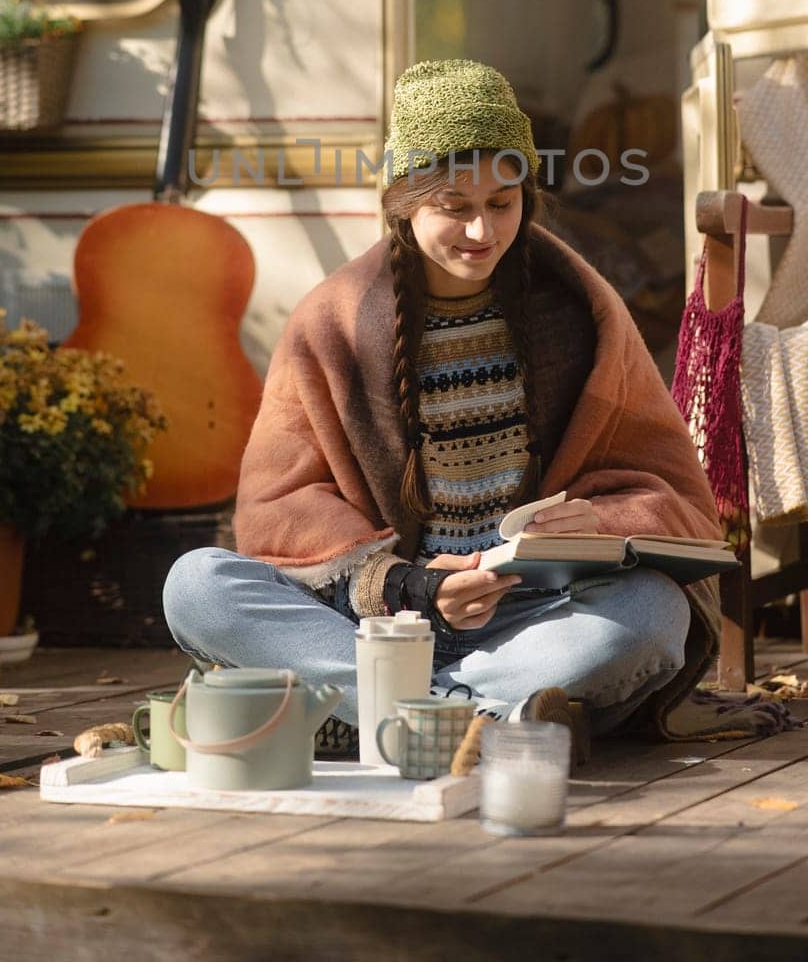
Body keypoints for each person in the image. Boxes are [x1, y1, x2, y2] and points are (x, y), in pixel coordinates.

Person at [162, 59, 723, 760]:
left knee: (650, 612)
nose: (481, 231)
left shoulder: (581, 311)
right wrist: (416, 589)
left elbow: (669, 492)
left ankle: (382, 714)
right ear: (403, 204)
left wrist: (597, 522)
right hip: (377, 622)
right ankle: (474, 716)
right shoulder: (331, 322)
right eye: (454, 207)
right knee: (196, 584)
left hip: (532, 615)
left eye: (501, 202)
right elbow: (278, 509)